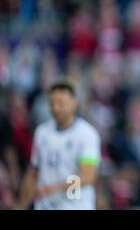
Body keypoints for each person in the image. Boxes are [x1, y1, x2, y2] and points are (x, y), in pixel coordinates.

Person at [15, 79, 101, 210]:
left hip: (75, 205)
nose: (55, 108)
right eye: (52, 103)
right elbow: (33, 172)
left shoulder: (87, 134)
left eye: (61, 103)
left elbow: (87, 176)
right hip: (45, 205)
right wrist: (20, 205)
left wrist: (54, 188)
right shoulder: (42, 132)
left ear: (74, 104)